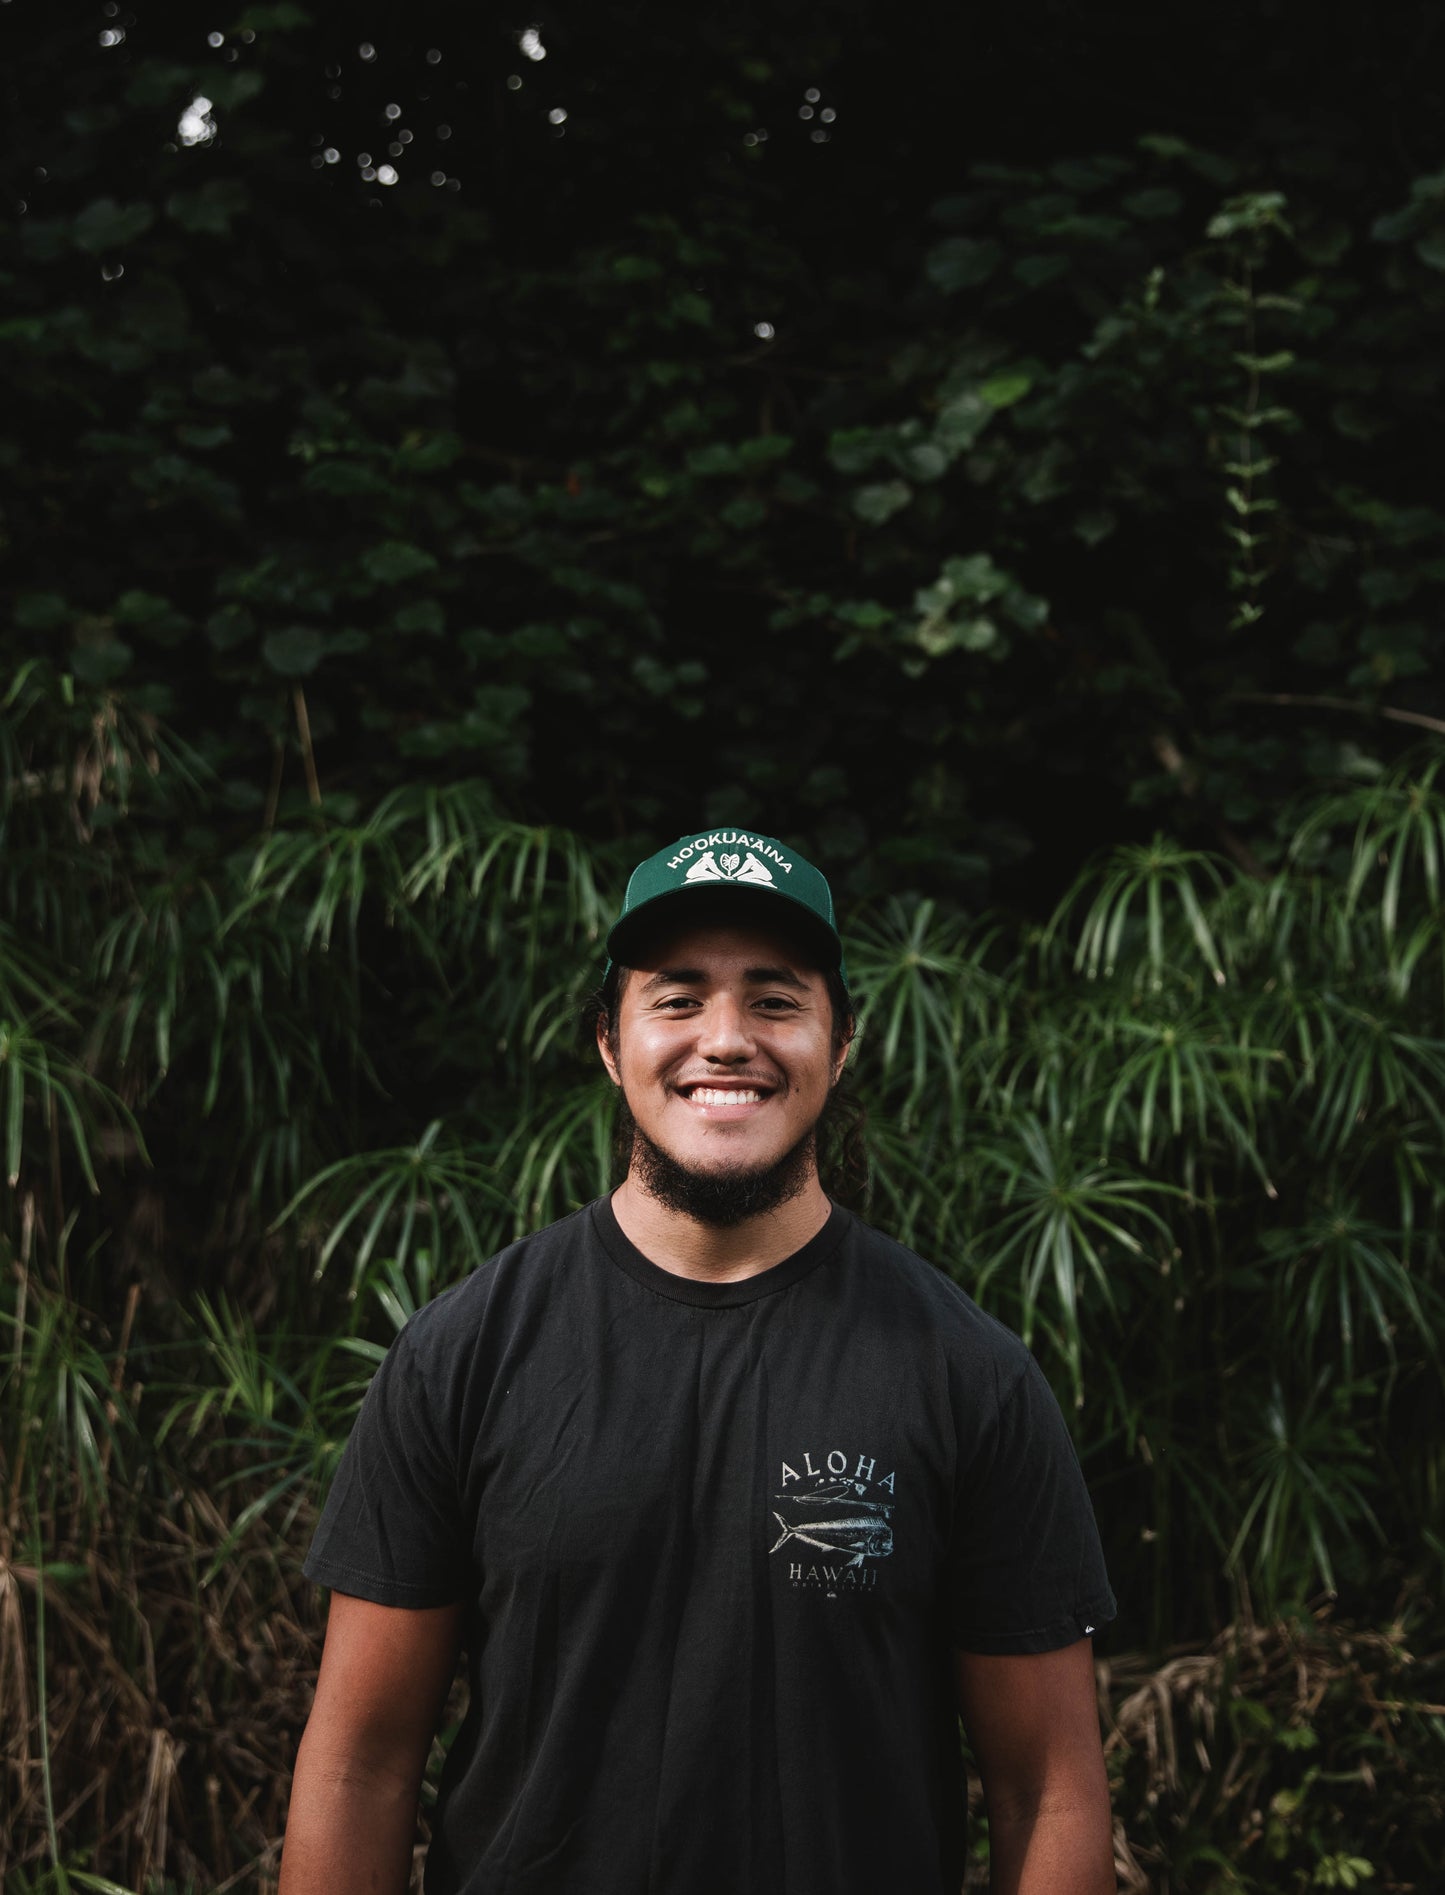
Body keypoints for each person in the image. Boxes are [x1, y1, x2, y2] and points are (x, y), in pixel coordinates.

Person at [280, 829, 1117, 1895]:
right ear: (607, 1041)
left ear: (840, 1041)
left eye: (774, 999)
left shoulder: (966, 1372)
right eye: (676, 998)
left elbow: (1047, 1787)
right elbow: (358, 1763)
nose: (725, 1039)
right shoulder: (464, 1353)